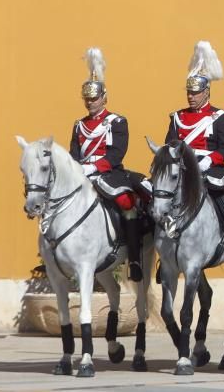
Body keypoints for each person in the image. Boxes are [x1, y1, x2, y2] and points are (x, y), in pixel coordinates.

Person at [165, 41, 224, 280]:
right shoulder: (177, 117)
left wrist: (210, 159)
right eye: (189, 92)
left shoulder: (220, 117)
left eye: (196, 93)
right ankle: (164, 257)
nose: (191, 97)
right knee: (159, 196)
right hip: (184, 171)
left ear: (207, 92)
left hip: (211, 170)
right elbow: (170, 146)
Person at [69, 48, 145, 282]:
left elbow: (116, 153)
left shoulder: (117, 122)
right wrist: (77, 169)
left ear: (104, 98)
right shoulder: (79, 125)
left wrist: (95, 167)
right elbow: (73, 152)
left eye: (94, 98)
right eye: (87, 99)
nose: (90, 103)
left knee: (127, 203)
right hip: (82, 174)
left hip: (108, 173)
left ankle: (133, 258)